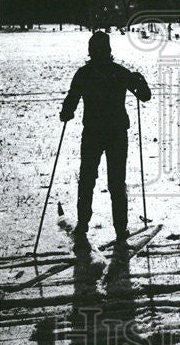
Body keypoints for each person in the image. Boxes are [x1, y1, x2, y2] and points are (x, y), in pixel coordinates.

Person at [60, 31, 151, 245]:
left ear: (91, 51)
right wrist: (141, 81)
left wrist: (66, 112)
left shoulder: (84, 73)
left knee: (87, 179)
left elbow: (72, 98)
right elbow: (145, 96)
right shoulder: (119, 72)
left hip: (93, 132)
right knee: (116, 182)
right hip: (116, 133)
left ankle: (83, 224)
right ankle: (120, 228)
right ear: (108, 50)